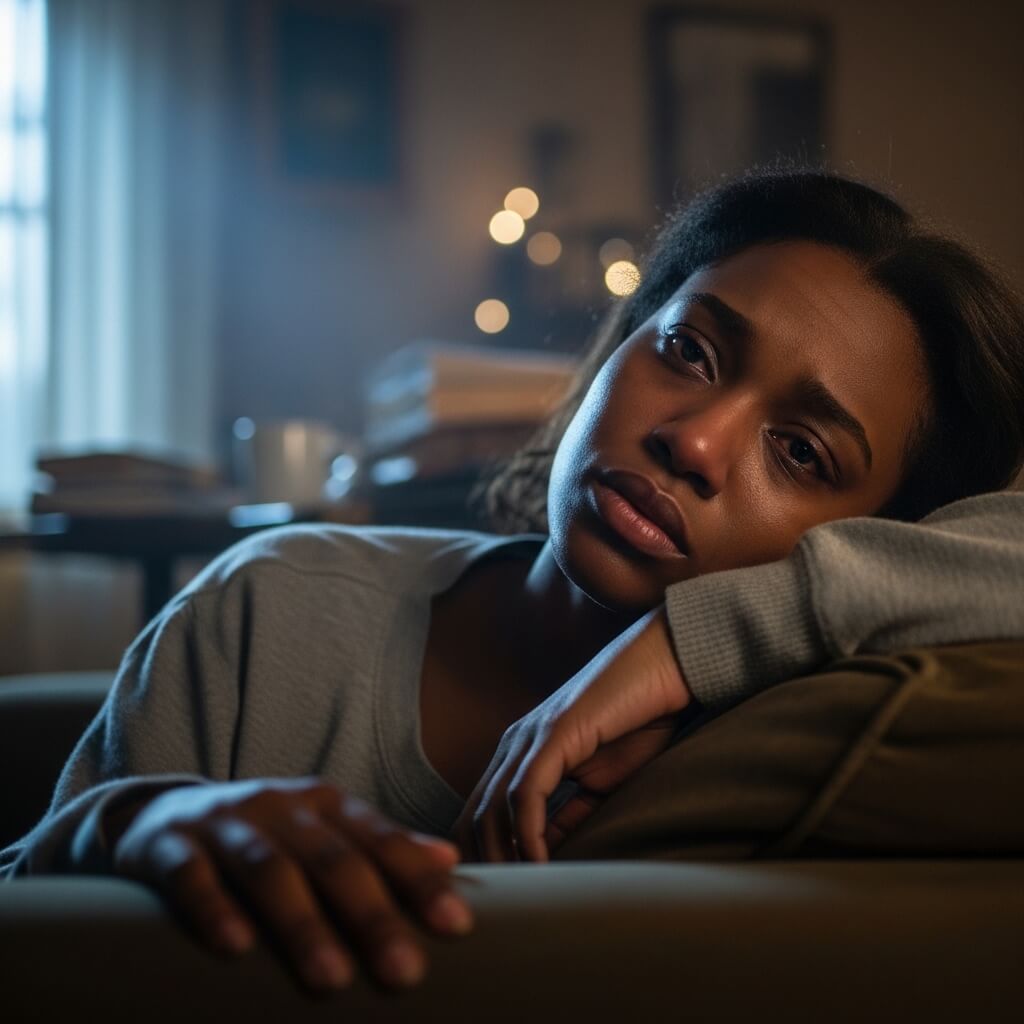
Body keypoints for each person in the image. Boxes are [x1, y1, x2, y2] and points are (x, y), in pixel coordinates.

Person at [4, 169, 1024, 995]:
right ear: (612, 347)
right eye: (685, 350)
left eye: (800, 452)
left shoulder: (802, 734)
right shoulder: (268, 611)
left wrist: (701, 637)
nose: (694, 440)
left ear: (888, 542)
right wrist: (124, 823)